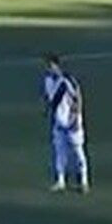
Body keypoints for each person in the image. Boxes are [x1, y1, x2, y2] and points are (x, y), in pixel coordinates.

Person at [42, 55, 90, 193]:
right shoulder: (48, 81)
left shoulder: (68, 81)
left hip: (72, 122)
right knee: (59, 151)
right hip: (58, 122)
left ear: (57, 65)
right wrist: (48, 112)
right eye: (47, 66)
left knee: (77, 151)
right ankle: (60, 180)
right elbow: (50, 99)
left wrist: (75, 117)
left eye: (51, 66)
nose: (49, 69)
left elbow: (77, 98)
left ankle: (83, 181)